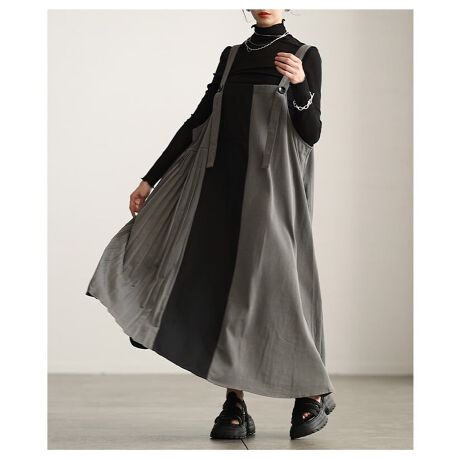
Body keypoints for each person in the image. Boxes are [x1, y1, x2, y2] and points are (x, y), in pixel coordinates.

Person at [86, 8, 335, 441]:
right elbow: (199, 119)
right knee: (223, 287)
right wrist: (150, 178)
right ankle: (234, 401)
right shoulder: (232, 55)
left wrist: (300, 86)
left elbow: (310, 133)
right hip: (219, 183)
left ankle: (310, 390)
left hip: (273, 190)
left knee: (282, 284)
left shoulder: (304, 54)